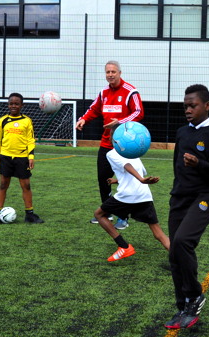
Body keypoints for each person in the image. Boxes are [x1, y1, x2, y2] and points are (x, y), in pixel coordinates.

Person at [164, 84, 209, 330]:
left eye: (193, 106)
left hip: (204, 196)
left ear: (207, 106)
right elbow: (177, 168)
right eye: (185, 106)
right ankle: (184, 307)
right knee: (174, 255)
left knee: (182, 242)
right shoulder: (183, 132)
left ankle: (195, 295)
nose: (188, 110)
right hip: (180, 198)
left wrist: (199, 163)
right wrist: (175, 193)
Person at [76, 60, 144, 230]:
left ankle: (123, 217)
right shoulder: (103, 93)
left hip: (124, 145)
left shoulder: (130, 91)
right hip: (106, 143)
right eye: (108, 72)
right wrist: (83, 119)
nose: (110, 75)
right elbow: (93, 109)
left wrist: (119, 122)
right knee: (103, 179)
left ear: (120, 73)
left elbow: (138, 112)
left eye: (113, 72)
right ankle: (106, 212)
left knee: (124, 180)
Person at [93, 141, 170, 262]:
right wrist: (118, 180)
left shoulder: (111, 153)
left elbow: (127, 165)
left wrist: (140, 179)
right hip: (144, 195)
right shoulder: (134, 153)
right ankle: (181, 259)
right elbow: (138, 172)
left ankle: (124, 246)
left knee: (99, 214)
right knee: (158, 233)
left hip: (128, 195)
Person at [0, 93, 44, 224]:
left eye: (16, 103)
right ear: (8, 105)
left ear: (22, 105)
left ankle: (30, 214)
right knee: (3, 184)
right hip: (5, 157)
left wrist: (31, 157)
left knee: (26, 185)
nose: (13, 106)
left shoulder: (27, 121)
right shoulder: (2, 120)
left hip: (22, 158)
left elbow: (30, 140)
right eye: (11, 103)